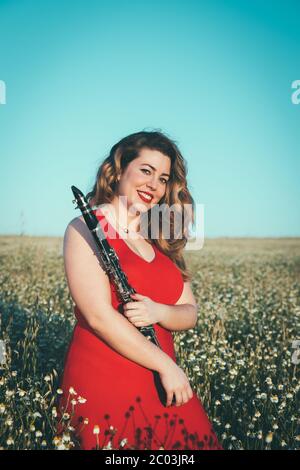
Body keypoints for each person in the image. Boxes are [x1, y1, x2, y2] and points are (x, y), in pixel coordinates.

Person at [56, 130, 223, 450]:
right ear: (118, 170)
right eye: (145, 171)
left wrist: (159, 311)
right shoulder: (84, 228)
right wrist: (166, 366)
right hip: (108, 376)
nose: (154, 185)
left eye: (162, 178)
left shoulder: (162, 236)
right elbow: (98, 315)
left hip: (167, 381)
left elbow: (190, 313)